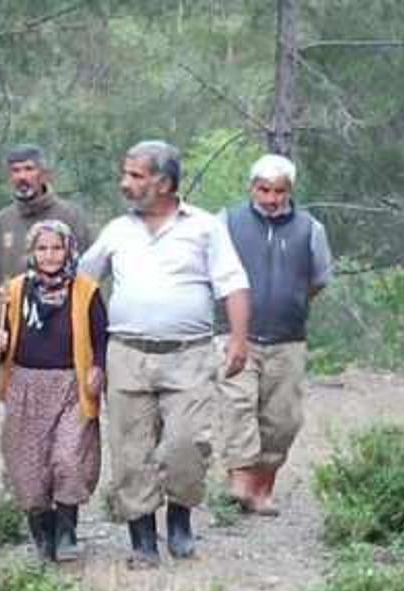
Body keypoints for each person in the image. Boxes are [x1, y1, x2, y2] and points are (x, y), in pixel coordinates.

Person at [78, 140, 251, 568]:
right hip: (127, 355)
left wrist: (239, 340)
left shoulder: (205, 227)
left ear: (165, 182)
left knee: (188, 442)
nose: (126, 183)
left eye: (136, 176)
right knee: (130, 449)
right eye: (126, 173)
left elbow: (233, 283)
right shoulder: (117, 230)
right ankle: (142, 540)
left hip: (189, 356)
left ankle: (179, 518)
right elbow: (81, 282)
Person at [217, 154, 332, 516]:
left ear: (290, 191)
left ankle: (262, 488)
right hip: (237, 335)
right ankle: (239, 481)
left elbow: (319, 279)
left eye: (278, 191)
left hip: (288, 338)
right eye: (264, 189)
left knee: (282, 420)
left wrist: (292, 302)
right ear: (252, 187)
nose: (271, 198)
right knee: (238, 405)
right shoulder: (227, 223)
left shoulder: (309, 228)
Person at [0, 220, 107, 562]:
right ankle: (44, 539)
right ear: (32, 252)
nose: (50, 255)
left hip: (72, 384)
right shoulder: (14, 291)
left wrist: (99, 367)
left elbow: (102, 336)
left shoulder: (86, 291)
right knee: (28, 467)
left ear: (69, 250)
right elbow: (0, 343)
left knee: (69, 458)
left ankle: (67, 530)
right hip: (26, 385)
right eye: (42, 248)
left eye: (57, 248)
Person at [0, 144, 95, 355]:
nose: (22, 176)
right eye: (15, 171)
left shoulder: (70, 217)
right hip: (12, 336)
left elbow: (90, 278)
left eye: (28, 169)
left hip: (63, 334)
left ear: (44, 174)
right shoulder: (3, 221)